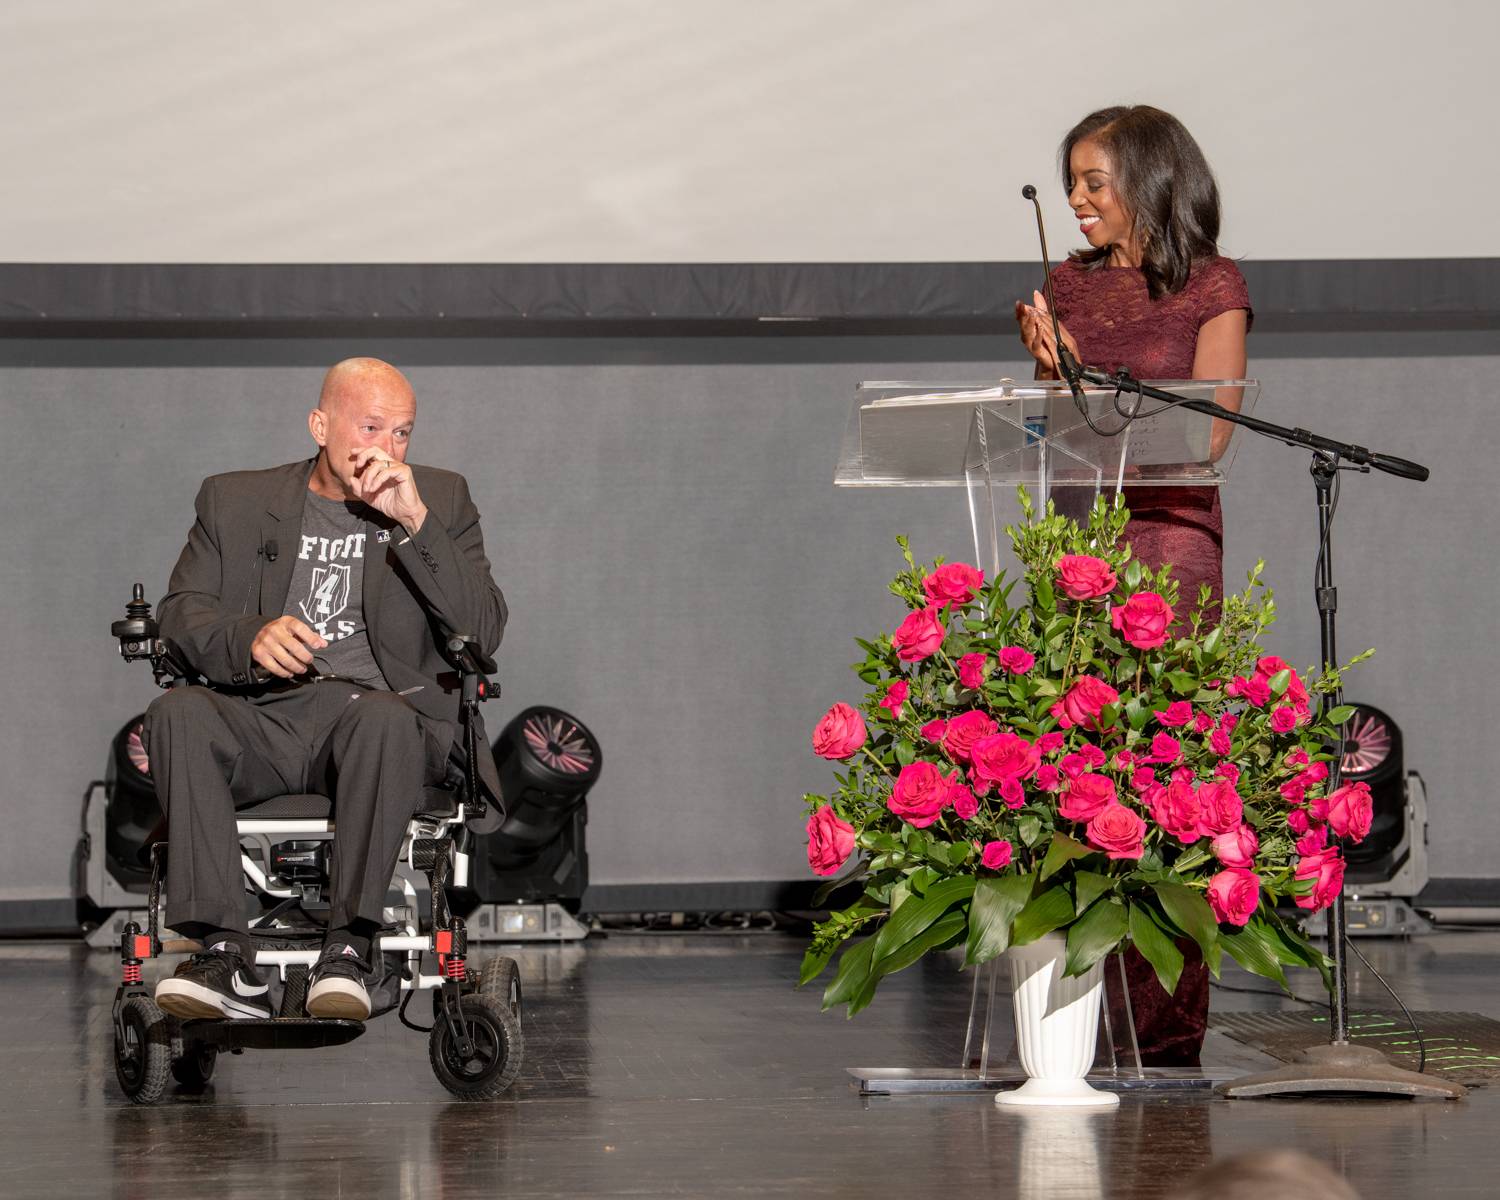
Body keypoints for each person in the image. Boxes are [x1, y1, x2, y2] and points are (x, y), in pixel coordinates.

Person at [144, 357, 507, 1022]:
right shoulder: (235, 500)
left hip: (376, 722)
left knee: (383, 719)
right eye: (370, 427)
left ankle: (350, 950)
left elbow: (483, 631)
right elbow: (182, 613)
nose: (387, 449)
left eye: (402, 433)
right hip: (265, 715)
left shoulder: (440, 501)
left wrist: (414, 521)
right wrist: (249, 635)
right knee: (178, 713)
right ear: (321, 425)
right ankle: (225, 955)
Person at [1016, 105, 1252, 1066]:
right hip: (1079, 551)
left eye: (1093, 181)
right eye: (1069, 182)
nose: (1075, 200)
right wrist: (1049, 377)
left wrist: (1093, 385)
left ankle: (1164, 1034)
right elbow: (1046, 434)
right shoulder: (1062, 288)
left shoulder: (1213, 283)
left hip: (1171, 550)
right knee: (1076, 774)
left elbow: (1209, 441)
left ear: (1153, 180)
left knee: (1170, 781)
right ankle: (1076, 1029)